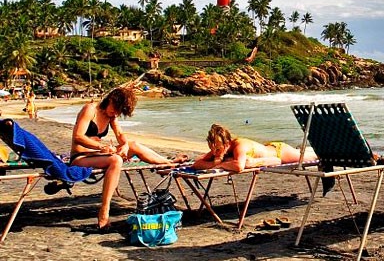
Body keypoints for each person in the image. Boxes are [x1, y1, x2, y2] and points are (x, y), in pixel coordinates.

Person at [70, 87, 188, 229]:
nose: (116, 113)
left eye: (119, 112)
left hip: (99, 155)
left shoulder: (112, 116)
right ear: (111, 99)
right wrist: (101, 147)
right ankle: (104, 213)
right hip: (81, 156)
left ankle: (168, 162)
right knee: (116, 160)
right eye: (115, 109)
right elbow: (78, 137)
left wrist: (125, 145)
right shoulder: (90, 109)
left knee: (134, 145)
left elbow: (120, 135)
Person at [192, 123, 317, 172]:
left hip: (279, 152)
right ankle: (302, 149)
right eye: (212, 148)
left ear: (227, 143)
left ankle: (318, 149)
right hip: (268, 151)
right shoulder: (218, 148)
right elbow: (197, 163)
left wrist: (219, 164)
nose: (214, 152)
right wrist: (217, 159)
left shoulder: (239, 146)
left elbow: (239, 167)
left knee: (313, 157)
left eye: (218, 149)